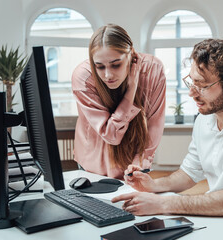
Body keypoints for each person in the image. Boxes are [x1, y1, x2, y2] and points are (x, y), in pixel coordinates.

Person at [111, 39, 223, 217]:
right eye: (192, 82)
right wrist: (153, 185)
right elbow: (189, 172)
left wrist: (164, 204)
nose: (192, 93)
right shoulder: (205, 119)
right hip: (218, 218)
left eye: (202, 86)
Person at [71, 24, 166, 179]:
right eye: (100, 67)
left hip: (133, 164)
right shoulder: (83, 77)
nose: (108, 75)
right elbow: (111, 136)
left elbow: (154, 124)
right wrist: (131, 90)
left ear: (131, 54)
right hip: (93, 166)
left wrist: (139, 164)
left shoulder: (153, 70)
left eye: (116, 64)